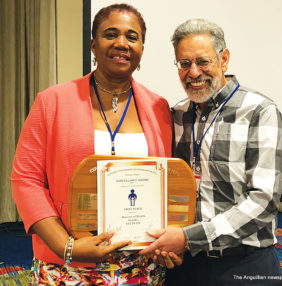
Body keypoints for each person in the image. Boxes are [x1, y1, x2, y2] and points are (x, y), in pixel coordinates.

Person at [11, 4, 175, 285]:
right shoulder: (52, 101)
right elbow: (26, 180)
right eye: (110, 34)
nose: (121, 43)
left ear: (141, 49)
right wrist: (66, 246)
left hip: (140, 266)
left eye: (132, 37)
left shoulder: (158, 107)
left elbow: (165, 182)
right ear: (93, 45)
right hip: (69, 263)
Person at [140, 18, 282, 285]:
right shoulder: (178, 114)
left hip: (245, 265)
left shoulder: (259, 111)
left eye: (203, 61)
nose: (194, 72)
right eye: (184, 64)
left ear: (224, 59)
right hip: (184, 264)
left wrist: (188, 238)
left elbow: (264, 202)